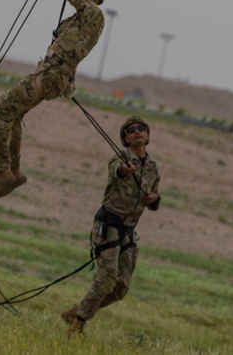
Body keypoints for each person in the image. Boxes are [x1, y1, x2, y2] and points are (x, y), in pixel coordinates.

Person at [0, 0, 105, 199]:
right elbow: (73, 52)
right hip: (51, 76)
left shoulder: (93, 14)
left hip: (49, 76)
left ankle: (2, 170)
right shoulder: (82, 22)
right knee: (13, 115)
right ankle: (13, 171)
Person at [61, 115, 161, 337]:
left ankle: (79, 311)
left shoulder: (153, 167)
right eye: (131, 129)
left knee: (121, 287)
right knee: (107, 275)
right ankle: (77, 325)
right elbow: (116, 170)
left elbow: (154, 196)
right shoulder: (120, 158)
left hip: (129, 229)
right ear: (125, 137)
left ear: (147, 134)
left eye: (141, 128)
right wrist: (124, 171)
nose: (137, 131)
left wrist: (153, 199)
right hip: (109, 223)